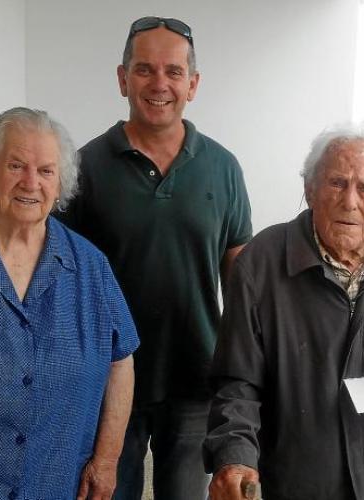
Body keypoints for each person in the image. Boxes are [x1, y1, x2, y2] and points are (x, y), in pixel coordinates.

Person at [58, 16, 252, 500]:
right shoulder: (83, 168)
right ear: (122, 78)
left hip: (195, 379)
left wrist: (244, 375)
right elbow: (62, 279)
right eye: (144, 69)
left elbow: (240, 280)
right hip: (108, 380)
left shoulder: (223, 168)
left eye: (173, 71)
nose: (159, 84)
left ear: (193, 84)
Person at [204, 124, 364, 500]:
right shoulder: (262, 263)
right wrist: (234, 456)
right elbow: (237, 380)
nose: (350, 201)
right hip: (299, 479)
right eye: (336, 183)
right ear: (310, 190)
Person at [0, 107, 139, 499]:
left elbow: (120, 361)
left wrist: (106, 460)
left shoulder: (90, 266)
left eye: (46, 171)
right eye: (16, 165)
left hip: (58, 484)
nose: (31, 182)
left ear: (60, 184)